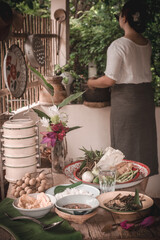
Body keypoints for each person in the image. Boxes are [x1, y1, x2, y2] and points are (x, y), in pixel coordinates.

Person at [87, 0, 159, 181]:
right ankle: (143, 196)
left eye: (120, 15)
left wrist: (92, 82)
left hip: (127, 101)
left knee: (125, 149)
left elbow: (110, 79)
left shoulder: (118, 45)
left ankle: (130, 198)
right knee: (144, 147)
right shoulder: (146, 43)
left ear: (125, 17)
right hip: (145, 99)